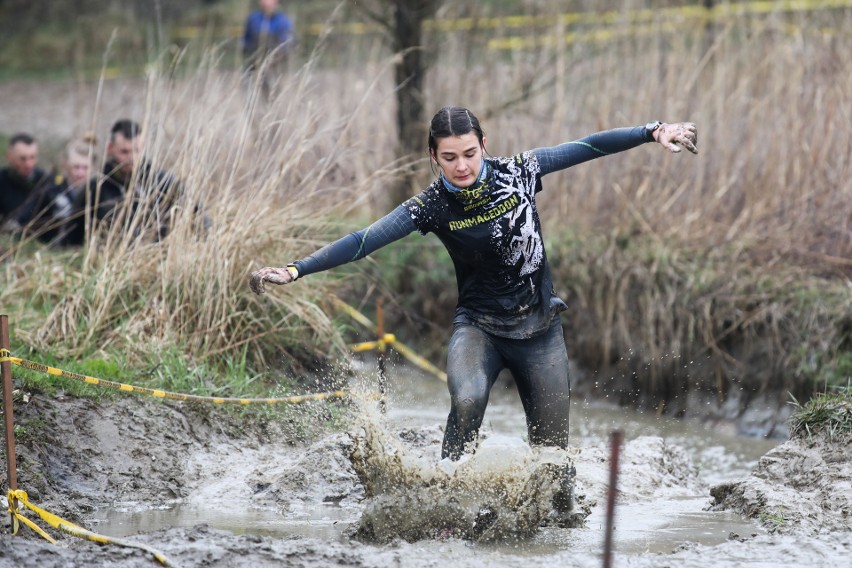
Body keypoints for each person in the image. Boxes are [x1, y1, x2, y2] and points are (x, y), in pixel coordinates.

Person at [250, 107, 698, 463]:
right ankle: (448, 493)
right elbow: (363, 240)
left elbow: (589, 146)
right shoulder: (429, 206)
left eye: (469, 153)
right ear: (433, 157)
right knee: (467, 400)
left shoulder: (519, 171)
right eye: (449, 157)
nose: (461, 166)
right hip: (478, 329)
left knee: (552, 460)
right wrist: (295, 270)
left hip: (540, 332)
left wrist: (652, 131)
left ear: (484, 145)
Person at [91, 119, 181, 240]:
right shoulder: (96, 188)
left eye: (136, 150)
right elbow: (71, 238)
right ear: (110, 149)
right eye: (124, 152)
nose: (131, 158)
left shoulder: (162, 182)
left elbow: (198, 218)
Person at [31, 134, 100, 246]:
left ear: (93, 168)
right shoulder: (50, 192)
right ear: (66, 165)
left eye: (85, 168)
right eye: (76, 167)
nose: (80, 173)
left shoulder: (98, 194)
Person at [242, 0, 294, 100]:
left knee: (272, 90)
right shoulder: (253, 19)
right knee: (250, 88)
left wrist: (279, 56)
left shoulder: (282, 20)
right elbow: (245, 40)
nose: (268, 4)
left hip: (275, 64)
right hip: (254, 61)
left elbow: (288, 42)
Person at [0, 133, 51, 235]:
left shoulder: (45, 180)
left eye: (33, 157)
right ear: (9, 156)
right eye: (22, 159)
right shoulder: (2, 180)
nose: (29, 164)